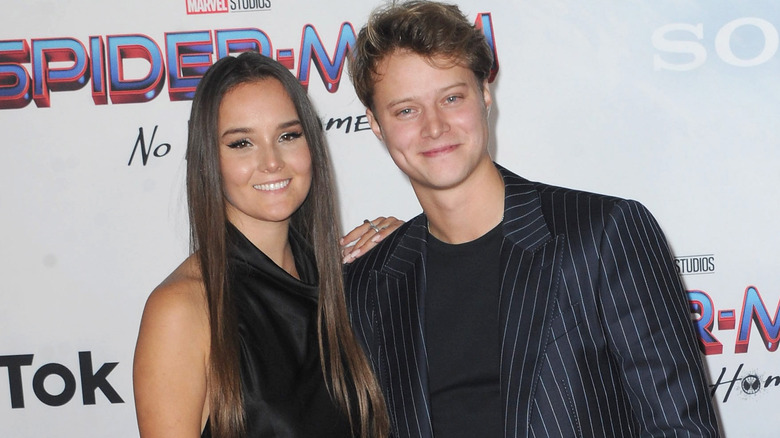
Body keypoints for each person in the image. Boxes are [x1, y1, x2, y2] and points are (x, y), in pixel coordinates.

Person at [344, 1, 721, 437]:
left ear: (484, 95)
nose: (434, 126)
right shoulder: (368, 284)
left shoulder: (603, 234)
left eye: (451, 97)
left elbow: (680, 427)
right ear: (374, 123)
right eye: (406, 110)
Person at [132, 51, 395, 438]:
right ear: (209, 160)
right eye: (241, 143)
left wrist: (409, 248)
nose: (272, 162)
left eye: (288, 136)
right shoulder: (182, 309)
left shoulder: (342, 282)